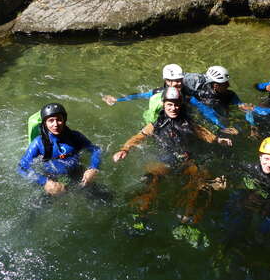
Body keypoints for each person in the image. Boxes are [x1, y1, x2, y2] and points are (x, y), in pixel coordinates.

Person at [112, 87, 232, 226]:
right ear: (164, 104)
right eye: (169, 104)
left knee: (198, 182)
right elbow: (139, 137)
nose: (173, 108)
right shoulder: (156, 125)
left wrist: (218, 140)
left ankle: (188, 218)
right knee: (152, 179)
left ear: (180, 105)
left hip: (188, 158)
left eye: (176, 104)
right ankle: (141, 214)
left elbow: (202, 132)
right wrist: (125, 149)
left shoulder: (188, 122)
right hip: (165, 158)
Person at [102, 64, 237, 134]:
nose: (177, 84)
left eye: (179, 81)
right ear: (166, 81)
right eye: (173, 81)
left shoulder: (187, 95)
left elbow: (204, 110)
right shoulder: (159, 92)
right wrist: (118, 100)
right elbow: (141, 95)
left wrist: (221, 126)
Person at [18, 103, 101, 196]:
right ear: (45, 123)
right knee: (37, 207)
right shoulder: (38, 143)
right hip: (51, 177)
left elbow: (95, 150)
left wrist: (93, 168)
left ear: (64, 120)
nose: (55, 124)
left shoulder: (75, 136)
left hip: (76, 172)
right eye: (51, 121)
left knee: (104, 197)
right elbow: (22, 167)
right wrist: (44, 182)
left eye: (59, 120)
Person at [184, 65, 249, 120]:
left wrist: (241, 105)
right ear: (216, 86)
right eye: (225, 84)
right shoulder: (208, 98)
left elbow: (240, 104)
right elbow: (213, 115)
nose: (228, 85)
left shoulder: (227, 92)